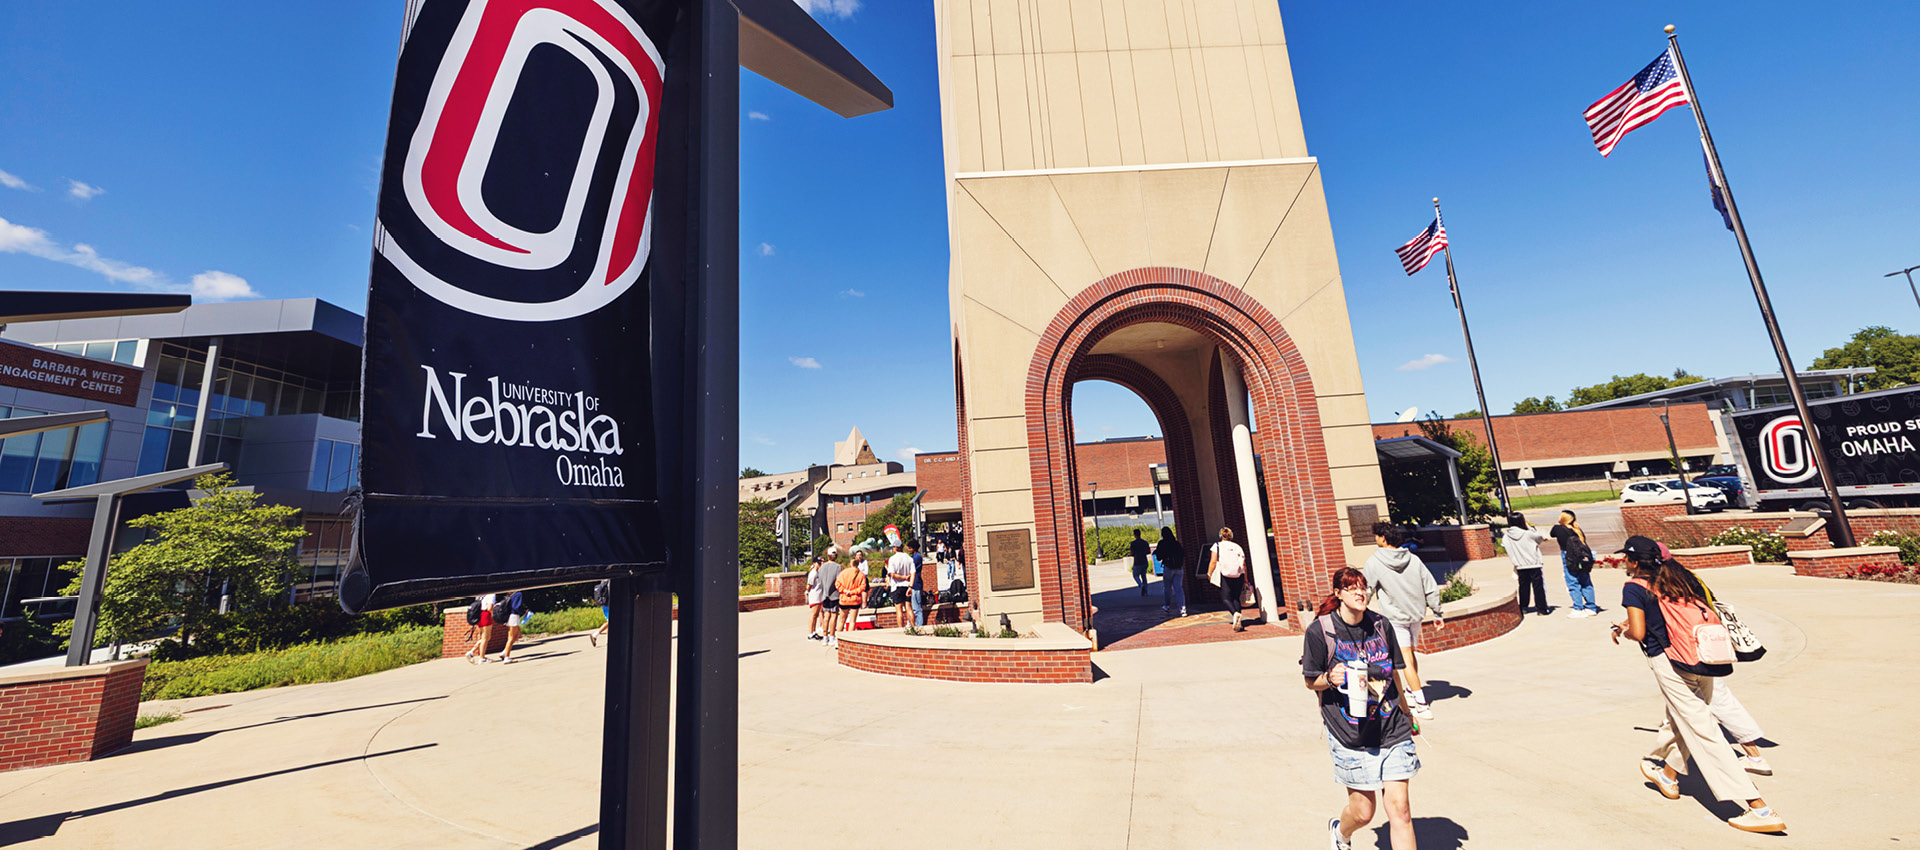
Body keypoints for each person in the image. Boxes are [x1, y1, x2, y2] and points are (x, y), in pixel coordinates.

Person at [1610, 536, 1785, 833]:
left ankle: (1759, 808)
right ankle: (1668, 775)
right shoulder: (1679, 578)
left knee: (1703, 731)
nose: (1624, 563)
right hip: (1703, 659)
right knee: (1680, 720)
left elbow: (1640, 633)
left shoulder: (1634, 587)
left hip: (1670, 663)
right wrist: (1631, 623)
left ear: (1634, 561)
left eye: (1626, 558)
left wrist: (1626, 631)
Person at [1302, 567, 1420, 850]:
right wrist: (1330, 678)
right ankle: (1340, 833)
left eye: (1363, 587)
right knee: (1363, 812)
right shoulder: (1321, 631)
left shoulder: (1381, 625)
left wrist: (1407, 713)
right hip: (1350, 733)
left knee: (1400, 810)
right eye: (1352, 588)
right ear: (1338, 594)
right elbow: (1310, 681)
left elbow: (1395, 675)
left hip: (1391, 726)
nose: (1360, 592)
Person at [1361, 522, 1443, 720]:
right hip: (1415, 614)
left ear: (1383, 538)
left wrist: (1359, 611)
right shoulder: (1413, 559)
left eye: (1376, 536)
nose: (1375, 539)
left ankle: (1421, 704)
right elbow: (1430, 586)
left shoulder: (1374, 562)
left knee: (1405, 658)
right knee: (1411, 654)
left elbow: (1367, 590)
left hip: (1395, 618)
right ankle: (1410, 692)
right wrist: (1437, 613)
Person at [1551, 510, 1599, 618]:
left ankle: (1578, 607)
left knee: (1573, 582)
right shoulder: (1578, 530)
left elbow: (1552, 533)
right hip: (1582, 558)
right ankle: (1591, 607)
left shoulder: (1558, 528)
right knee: (1585, 582)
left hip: (1569, 556)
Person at [1502, 513, 1552, 615]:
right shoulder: (1528, 533)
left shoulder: (1506, 536)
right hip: (1533, 563)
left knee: (1523, 586)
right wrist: (1528, 527)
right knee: (1538, 587)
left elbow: (1505, 545)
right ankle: (1541, 609)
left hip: (1520, 564)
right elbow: (1540, 538)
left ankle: (1523, 607)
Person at [1207, 527, 1250, 632]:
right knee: (1236, 597)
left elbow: (1213, 561)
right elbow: (1243, 563)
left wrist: (1209, 573)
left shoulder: (1216, 546)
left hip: (1225, 574)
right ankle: (1239, 620)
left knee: (1225, 598)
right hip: (1238, 574)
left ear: (1221, 535)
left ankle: (1235, 614)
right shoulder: (1237, 547)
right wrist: (1245, 578)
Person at [831, 557, 869, 647]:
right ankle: (850, 641)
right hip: (855, 600)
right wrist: (852, 592)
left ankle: (838, 641)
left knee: (841, 621)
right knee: (852, 622)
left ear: (850, 563)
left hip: (844, 599)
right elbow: (863, 587)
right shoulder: (861, 574)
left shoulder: (844, 572)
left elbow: (837, 583)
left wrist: (844, 591)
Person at [1156, 526, 1187, 616]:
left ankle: (1167, 606)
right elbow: (1182, 553)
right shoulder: (1176, 543)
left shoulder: (1162, 543)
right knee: (1179, 589)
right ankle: (1182, 608)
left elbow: (1159, 557)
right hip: (1179, 568)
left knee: (1167, 588)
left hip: (1168, 568)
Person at [885, 544, 916, 629]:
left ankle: (901, 629)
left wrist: (904, 578)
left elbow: (892, 574)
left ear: (895, 548)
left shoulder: (892, 559)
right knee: (909, 608)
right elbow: (913, 573)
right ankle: (913, 628)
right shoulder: (909, 558)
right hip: (907, 586)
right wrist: (910, 586)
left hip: (897, 586)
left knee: (899, 610)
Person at [465, 592, 498, 664]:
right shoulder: (491, 594)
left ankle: (472, 652)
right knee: (485, 638)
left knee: (485, 637)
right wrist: (494, 614)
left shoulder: (480, 593)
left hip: (479, 615)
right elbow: (490, 608)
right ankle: (482, 658)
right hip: (486, 615)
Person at [499, 590, 529, 663]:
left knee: (517, 635)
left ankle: (504, 652)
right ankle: (507, 657)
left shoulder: (510, 595)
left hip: (509, 616)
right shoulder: (518, 594)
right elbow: (516, 607)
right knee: (511, 638)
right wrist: (524, 612)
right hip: (514, 616)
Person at [906, 542, 930, 628]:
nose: (908, 550)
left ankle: (919, 626)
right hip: (914, 584)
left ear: (914, 548)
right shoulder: (914, 557)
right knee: (914, 607)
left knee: (917, 608)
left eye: (910, 548)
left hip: (916, 584)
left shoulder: (917, 557)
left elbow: (911, 569)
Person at [805, 556, 828, 640]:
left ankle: (814, 631)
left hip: (819, 595)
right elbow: (809, 585)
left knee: (817, 615)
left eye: (821, 563)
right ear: (814, 563)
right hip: (814, 596)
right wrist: (808, 592)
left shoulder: (818, 572)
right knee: (813, 615)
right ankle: (810, 633)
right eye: (818, 563)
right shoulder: (813, 573)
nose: (820, 564)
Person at [1129, 529, 1151, 596]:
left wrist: (1132, 554)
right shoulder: (1145, 542)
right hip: (1144, 561)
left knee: (1135, 575)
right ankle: (1146, 591)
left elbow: (1131, 553)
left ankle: (1141, 585)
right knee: (1144, 576)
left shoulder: (1133, 543)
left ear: (1135, 535)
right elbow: (1148, 551)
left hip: (1137, 561)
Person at [590, 579, 611, 647]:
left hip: (604, 603)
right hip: (608, 603)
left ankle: (609, 641)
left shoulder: (604, 582)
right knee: (611, 621)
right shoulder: (609, 581)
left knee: (609, 622)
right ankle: (595, 635)